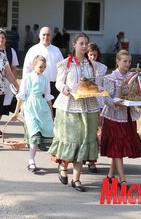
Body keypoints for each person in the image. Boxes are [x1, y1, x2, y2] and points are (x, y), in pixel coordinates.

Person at [48, 33, 100, 192]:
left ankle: (76, 179)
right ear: (74, 45)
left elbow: (93, 83)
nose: (84, 46)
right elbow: (58, 83)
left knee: (84, 140)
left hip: (87, 105)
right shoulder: (65, 64)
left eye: (86, 43)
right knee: (69, 140)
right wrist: (65, 89)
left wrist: (95, 88)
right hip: (68, 106)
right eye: (81, 43)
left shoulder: (91, 64)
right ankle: (63, 167)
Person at [100, 49, 141, 188]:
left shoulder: (132, 77)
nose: (127, 64)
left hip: (127, 115)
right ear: (117, 61)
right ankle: (122, 180)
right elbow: (106, 98)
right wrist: (115, 102)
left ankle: (110, 176)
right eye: (124, 61)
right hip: (113, 116)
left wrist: (140, 102)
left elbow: (135, 94)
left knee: (119, 146)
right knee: (117, 146)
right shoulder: (110, 78)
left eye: (129, 61)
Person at [11, 55, 54, 173]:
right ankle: (31, 160)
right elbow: (21, 95)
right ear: (34, 66)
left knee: (48, 130)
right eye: (40, 67)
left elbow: (48, 96)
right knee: (34, 133)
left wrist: (51, 113)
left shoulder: (45, 79)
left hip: (41, 107)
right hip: (30, 107)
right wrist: (16, 112)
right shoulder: (28, 78)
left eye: (44, 67)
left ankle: (55, 157)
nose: (42, 69)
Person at [23, 27, 64, 115]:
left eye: (48, 35)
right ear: (39, 36)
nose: (46, 37)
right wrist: (25, 88)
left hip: (54, 86)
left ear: (51, 36)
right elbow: (26, 69)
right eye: (43, 35)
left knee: (52, 113)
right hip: (37, 86)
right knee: (38, 113)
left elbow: (63, 69)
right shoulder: (33, 50)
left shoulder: (56, 50)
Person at [86, 42, 108, 173]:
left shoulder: (102, 67)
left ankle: (92, 160)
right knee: (87, 131)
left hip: (98, 101)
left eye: (94, 55)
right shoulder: (83, 66)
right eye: (90, 55)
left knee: (97, 131)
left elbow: (103, 84)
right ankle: (84, 157)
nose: (92, 57)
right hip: (86, 100)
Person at [0, 28, 19, 136]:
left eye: (3, 37)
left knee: (2, 106)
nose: (1, 39)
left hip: (6, 83)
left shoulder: (10, 51)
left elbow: (14, 67)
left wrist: (14, 82)